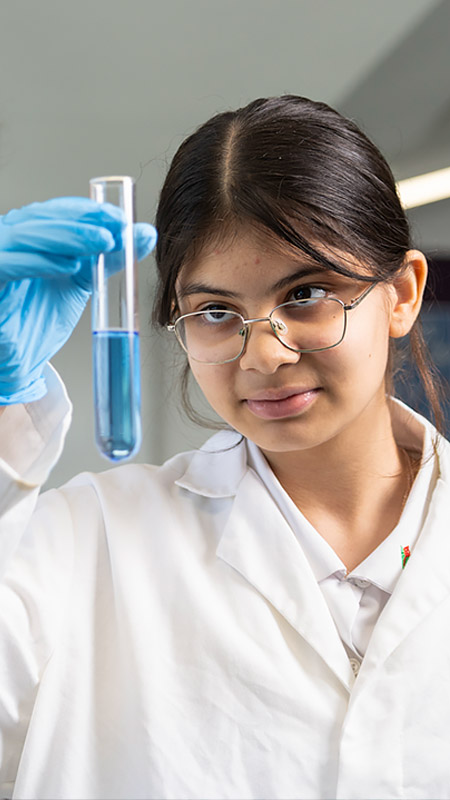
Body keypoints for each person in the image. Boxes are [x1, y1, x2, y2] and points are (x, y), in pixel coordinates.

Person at [0, 95, 448, 800]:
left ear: (401, 294)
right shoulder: (87, 542)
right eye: (215, 313)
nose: (263, 354)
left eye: (306, 294)